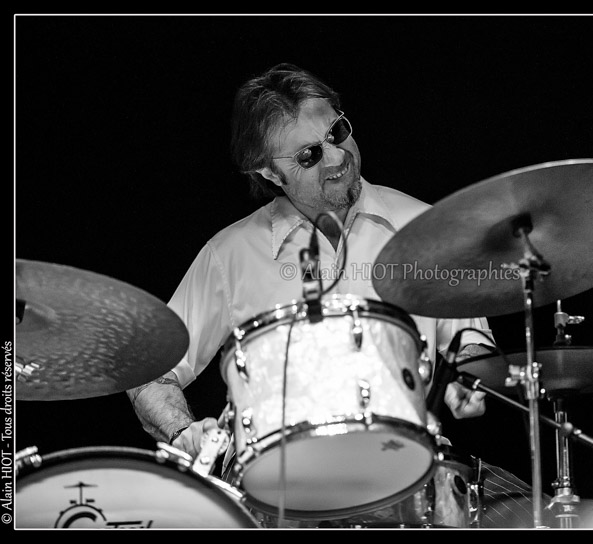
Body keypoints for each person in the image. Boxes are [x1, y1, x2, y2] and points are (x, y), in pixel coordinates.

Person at [126, 62, 538, 528]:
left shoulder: (425, 226)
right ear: (269, 171)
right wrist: (183, 430)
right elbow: (148, 369)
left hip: (410, 468)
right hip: (279, 488)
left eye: (337, 132)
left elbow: (470, 346)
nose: (337, 157)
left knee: (544, 516)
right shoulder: (231, 255)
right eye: (309, 155)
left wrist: (470, 378)